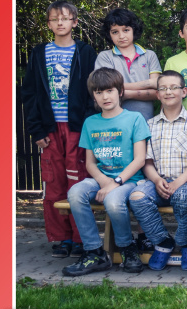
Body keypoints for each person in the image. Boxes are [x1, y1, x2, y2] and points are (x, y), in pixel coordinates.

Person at [21, 0, 96, 258]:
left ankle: (80, 238)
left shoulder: (85, 52)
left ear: (75, 22)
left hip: (77, 128)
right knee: (54, 183)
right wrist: (36, 129)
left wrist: (87, 125)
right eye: (55, 19)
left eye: (65, 18)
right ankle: (62, 238)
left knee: (78, 181)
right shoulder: (39, 52)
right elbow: (30, 93)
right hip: (50, 129)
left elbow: (92, 92)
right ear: (49, 24)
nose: (60, 22)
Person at [61, 68, 150, 277]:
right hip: (101, 178)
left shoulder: (135, 118)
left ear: (120, 92)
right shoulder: (90, 122)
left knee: (113, 200)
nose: (105, 97)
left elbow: (139, 159)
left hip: (129, 180)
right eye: (99, 92)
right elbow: (90, 163)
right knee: (75, 192)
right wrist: (103, 181)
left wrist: (115, 182)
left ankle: (127, 248)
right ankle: (94, 252)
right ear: (94, 96)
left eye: (109, 91)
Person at [128, 71, 187, 272]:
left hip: (186, 182)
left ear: (184, 92)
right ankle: (163, 242)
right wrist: (156, 180)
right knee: (137, 197)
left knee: (184, 198)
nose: (168, 92)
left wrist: (178, 183)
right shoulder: (149, 124)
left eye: (173, 87)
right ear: (157, 94)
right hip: (157, 182)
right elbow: (146, 161)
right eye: (163, 88)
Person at [95, 8, 161, 121]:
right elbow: (106, 88)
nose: (121, 36)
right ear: (109, 34)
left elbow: (157, 92)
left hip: (146, 121)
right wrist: (148, 83)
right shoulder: (105, 57)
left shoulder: (149, 55)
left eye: (126, 30)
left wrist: (124, 92)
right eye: (115, 32)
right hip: (115, 121)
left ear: (134, 30)